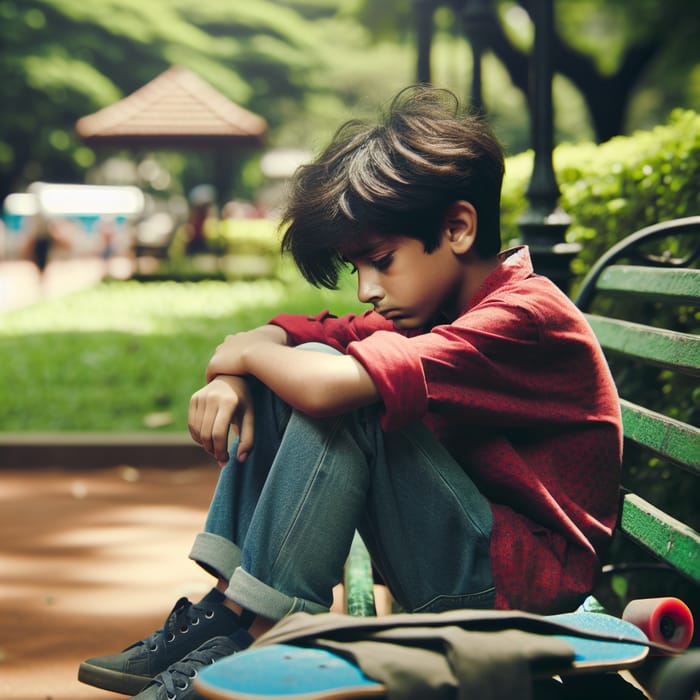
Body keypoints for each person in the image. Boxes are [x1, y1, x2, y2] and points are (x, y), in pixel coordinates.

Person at [78, 86, 622, 700]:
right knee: (312, 369)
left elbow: (322, 377)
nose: (366, 290)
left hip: (513, 587)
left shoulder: (522, 317)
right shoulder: (439, 307)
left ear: (457, 227)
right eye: (357, 269)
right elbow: (295, 332)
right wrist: (238, 371)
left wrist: (247, 358)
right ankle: (232, 615)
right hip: (467, 560)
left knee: (339, 391)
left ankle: (254, 630)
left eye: (382, 261)